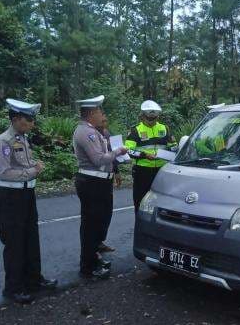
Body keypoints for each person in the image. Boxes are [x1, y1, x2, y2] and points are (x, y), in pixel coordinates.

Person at [0, 99, 57, 304]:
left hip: (27, 195)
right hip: (10, 198)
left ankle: (33, 280)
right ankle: (13, 288)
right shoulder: (4, 141)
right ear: (16, 119)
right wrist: (33, 170)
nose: (32, 123)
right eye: (29, 119)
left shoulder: (23, 138)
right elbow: (5, 172)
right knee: (14, 243)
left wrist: (31, 171)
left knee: (31, 239)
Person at [73, 95, 127, 279]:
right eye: (98, 111)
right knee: (90, 226)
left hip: (100, 182)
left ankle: (93, 259)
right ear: (90, 114)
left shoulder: (93, 131)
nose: (101, 114)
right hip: (92, 183)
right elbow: (98, 159)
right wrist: (118, 151)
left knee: (97, 224)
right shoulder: (85, 132)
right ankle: (87, 267)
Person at [125, 100, 176, 212]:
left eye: (154, 119)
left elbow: (174, 147)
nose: (151, 121)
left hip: (161, 170)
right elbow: (128, 150)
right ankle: (140, 225)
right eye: (149, 119)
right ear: (143, 116)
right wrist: (144, 155)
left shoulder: (164, 128)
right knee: (140, 201)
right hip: (142, 171)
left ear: (157, 117)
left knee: (162, 200)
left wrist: (167, 152)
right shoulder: (136, 130)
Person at [95, 112, 117, 254]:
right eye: (103, 118)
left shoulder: (107, 134)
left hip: (108, 176)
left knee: (107, 212)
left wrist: (117, 171)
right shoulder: (91, 135)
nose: (105, 120)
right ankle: (94, 244)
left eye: (106, 118)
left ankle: (100, 241)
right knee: (96, 213)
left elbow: (113, 153)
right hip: (96, 178)